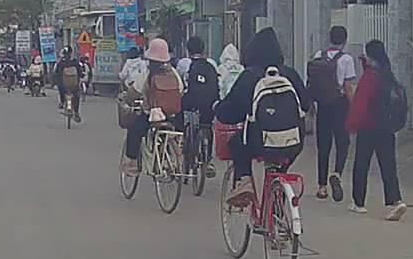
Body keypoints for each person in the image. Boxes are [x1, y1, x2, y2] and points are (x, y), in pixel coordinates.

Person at [214, 27, 308, 206]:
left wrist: (218, 108)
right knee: (280, 165)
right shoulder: (290, 74)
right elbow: (306, 104)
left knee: (237, 143)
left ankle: (244, 182)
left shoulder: (250, 76)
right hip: (293, 142)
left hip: (259, 142)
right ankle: (278, 201)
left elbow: (229, 113)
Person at [345, 39, 407, 221]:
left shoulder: (369, 77)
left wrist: (352, 125)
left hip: (369, 127)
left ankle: (358, 203)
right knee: (388, 165)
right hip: (387, 128)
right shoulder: (388, 74)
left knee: (361, 164)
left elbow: (361, 103)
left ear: (370, 55)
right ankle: (396, 201)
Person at [306, 25, 359, 202]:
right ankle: (336, 173)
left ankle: (322, 187)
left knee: (323, 145)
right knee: (343, 141)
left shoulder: (318, 56)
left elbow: (312, 83)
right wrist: (354, 108)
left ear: (329, 38)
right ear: (345, 40)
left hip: (322, 105)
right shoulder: (346, 59)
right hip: (340, 104)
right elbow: (348, 87)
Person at [122, 38, 184, 175]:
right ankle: (169, 156)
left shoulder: (147, 74)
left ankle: (132, 162)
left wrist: (127, 100)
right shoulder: (173, 73)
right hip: (172, 115)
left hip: (152, 116)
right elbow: (180, 90)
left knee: (134, 130)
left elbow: (134, 92)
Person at [180, 36, 221, 178]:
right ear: (204, 49)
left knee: (180, 115)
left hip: (192, 102)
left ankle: (183, 143)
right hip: (210, 103)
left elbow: (181, 84)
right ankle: (208, 159)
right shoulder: (212, 64)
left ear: (188, 50)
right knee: (207, 126)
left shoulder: (184, 64)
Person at [54, 46, 84, 122]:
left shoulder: (61, 63)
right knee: (76, 96)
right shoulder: (75, 62)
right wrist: (81, 75)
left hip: (64, 86)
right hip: (74, 85)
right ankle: (76, 112)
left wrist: (56, 80)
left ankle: (62, 102)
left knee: (61, 90)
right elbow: (80, 72)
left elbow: (56, 73)